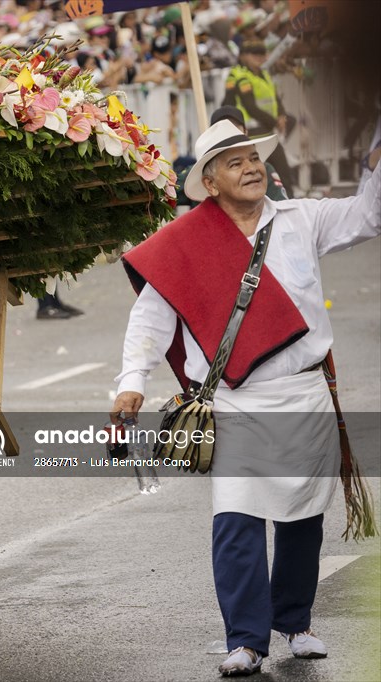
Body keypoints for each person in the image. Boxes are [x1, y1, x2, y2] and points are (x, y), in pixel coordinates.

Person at [111, 119, 380, 676]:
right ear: (210, 184)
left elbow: (369, 215)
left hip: (304, 394)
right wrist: (131, 380)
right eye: (234, 162)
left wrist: (376, 162)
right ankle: (247, 639)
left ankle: (296, 623)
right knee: (236, 519)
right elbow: (150, 320)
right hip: (233, 401)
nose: (251, 167)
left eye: (252, 157)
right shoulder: (186, 242)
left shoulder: (302, 218)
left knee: (304, 518)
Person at [225, 40, 296, 190]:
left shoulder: (264, 73)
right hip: (252, 131)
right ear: (243, 56)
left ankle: (288, 204)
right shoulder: (239, 75)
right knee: (265, 174)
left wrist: (282, 115)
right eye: (254, 54)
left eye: (262, 54)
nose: (259, 57)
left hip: (267, 128)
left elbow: (275, 97)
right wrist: (275, 122)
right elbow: (250, 106)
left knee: (282, 174)